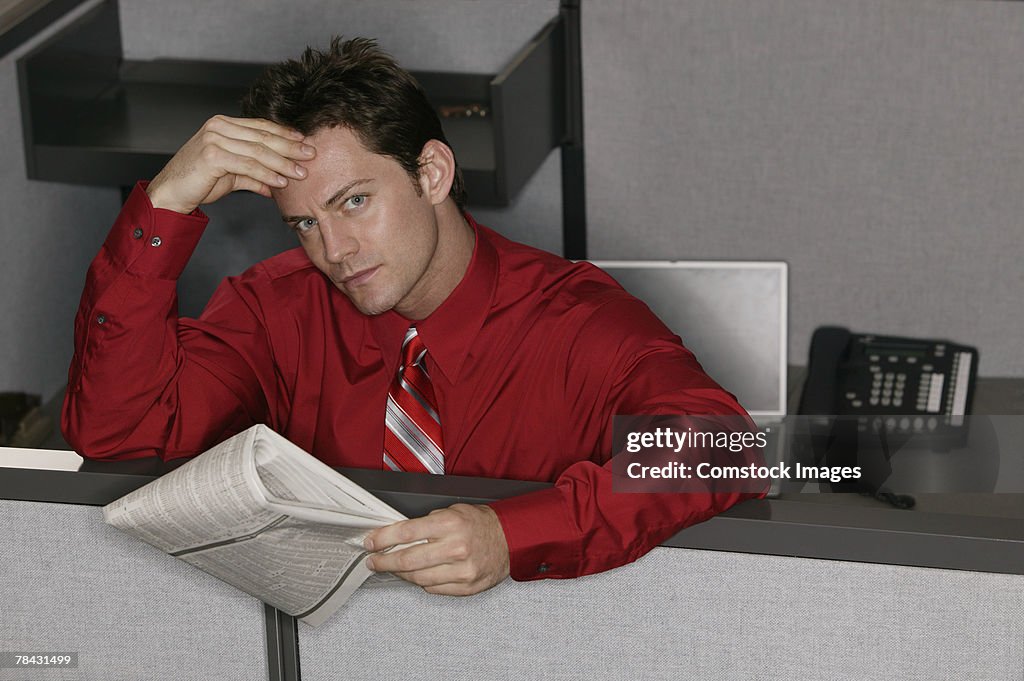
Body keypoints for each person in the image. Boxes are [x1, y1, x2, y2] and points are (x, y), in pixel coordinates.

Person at [62, 37, 764, 596]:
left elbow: (726, 445)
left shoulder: (575, 321)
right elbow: (119, 437)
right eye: (303, 223)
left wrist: (513, 534)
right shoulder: (276, 307)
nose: (333, 250)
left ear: (431, 173)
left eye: (353, 202)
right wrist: (166, 205)